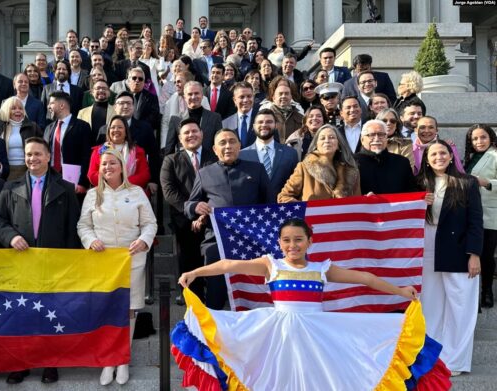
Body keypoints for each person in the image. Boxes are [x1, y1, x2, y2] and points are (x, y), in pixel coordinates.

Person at [174, 219, 450, 390]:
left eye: (298, 240)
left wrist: (401, 291)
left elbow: (364, 278)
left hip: (317, 334)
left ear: (309, 241)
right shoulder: (272, 264)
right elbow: (228, 264)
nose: (292, 245)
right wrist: (196, 272)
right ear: (280, 242)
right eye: (286, 240)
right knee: (276, 378)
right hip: (277, 333)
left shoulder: (321, 268)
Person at [0, 136, 81, 384]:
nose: (32, 159)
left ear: (48, 156)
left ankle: (50, 363)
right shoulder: (10, 187)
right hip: (21, 263)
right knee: (22, 314)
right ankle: (21, 362)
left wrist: (69, 264)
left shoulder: (66, 188)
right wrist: (11, 238)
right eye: (28, 154)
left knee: (51, 314)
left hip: (54, 264)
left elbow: (72, 229)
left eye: (38, 154)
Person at [77, 148, 157, 385]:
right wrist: (91, 241)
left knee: (129, 309)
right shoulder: (92, 195)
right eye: (103, 165)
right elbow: (83, 225)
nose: (108, 168)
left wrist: (144, 240)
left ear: (122, 166)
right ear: (98, 169)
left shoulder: (136, 192)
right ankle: (107, 361)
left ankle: (122, 359)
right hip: (102, 262)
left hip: (131, 260)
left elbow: (150, 223)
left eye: (113, 163)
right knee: (106, 309)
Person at [417, 140, 483, 376]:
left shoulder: (467, 183)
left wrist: (474, 254)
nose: (438, 157)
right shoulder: (418, 183)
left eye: (443, 153)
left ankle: (454, 361)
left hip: (458, 248)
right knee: (430, 306)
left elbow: (476, 222)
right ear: (426, 158)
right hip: (426, 247)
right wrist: (417, 203)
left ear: (451, 156)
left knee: (460, 306)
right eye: (433, 154)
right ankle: (432, 359)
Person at [185, 129, 269, 309]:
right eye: (222, 143)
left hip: (250, 241)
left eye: (232, 142)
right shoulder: (204, 173)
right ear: (215, 149)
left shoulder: (256, 169)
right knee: (215, 294)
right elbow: (189, 204)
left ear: (240, 146)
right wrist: (195, 207)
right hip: (216, 241)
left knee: (251, 295)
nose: (228, 146)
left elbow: (269, 203)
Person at [161, 119, 217, 304]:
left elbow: (219, 187)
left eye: (195, 131)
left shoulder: (214, 157)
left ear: (202, 134)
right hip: (183, 222)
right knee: (189, 261)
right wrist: (192, 210)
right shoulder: (171, 160)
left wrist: (203, 214)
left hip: (211, 219)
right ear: (179, 138)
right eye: (186, 133)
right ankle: (193, 301)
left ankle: (214, 300)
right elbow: (169, 192)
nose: (191, 135)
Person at [278, 124, 361, 202]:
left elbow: (357, 203)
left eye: (331, 137)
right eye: (322, 138)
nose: (327, 141)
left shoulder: (351, 171)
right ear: (316, 144)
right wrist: (304, 210)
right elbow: (284, 197)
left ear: (338, 143)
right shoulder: (304, 168)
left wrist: (368, 200)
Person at [463, 124, 497, 308]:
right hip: (471, 212)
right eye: (474, 139)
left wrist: (488, 183)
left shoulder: (495, 155)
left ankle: (487, 291)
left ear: (491, 137)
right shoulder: (470, 158)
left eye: (483, 137)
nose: (479, 141)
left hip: (491, 214)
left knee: (486, 255)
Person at [240, 109, 298, 203]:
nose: (264, 125)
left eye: (269, 122)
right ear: (254, 126)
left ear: (275, 126)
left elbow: (296, 184)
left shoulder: (290, 153)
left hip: (282, 209)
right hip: (253, 211)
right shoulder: (241, 155)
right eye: (260, 122)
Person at [43, 91, 93, 194]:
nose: (48, 106)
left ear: (62, 105)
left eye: (51, 103)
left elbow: (86, 156)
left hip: (73, 183)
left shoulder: (82, 126)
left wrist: (83, 182)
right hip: (50, 180)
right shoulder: (48, 128)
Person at [354, 119, 416, 194]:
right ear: (362, 140)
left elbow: (412, 193)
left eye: (381, 134)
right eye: (371, 135)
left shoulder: (402, 162)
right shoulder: (352, 162)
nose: (376, 139)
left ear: (386, 138)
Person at [88, 115, 150, 189]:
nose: (116, 130)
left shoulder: (138, 151)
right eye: (113, 127)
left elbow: (144, 175)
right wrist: (111, 182)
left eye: (120, 127)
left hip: (130, 192)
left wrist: (123, 183)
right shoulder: (98, 151)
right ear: (108, 131)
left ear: (126, 131)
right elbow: (91, 174)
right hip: (106, 192)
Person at [165, 81, 223, 155]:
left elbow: (220, 144)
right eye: (190, 94)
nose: (193, 97)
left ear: (202, 95)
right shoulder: (175, 119)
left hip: (209, 163)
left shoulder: (215, 117)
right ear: (184, 97)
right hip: (184, 164)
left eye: (196, 93)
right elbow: (169, 149)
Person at [222, 82, 257, 147]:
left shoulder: (263, 121)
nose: (246, 100)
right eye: (242, 97)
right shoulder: (225, 124)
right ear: (234, 100)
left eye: (249, 96)